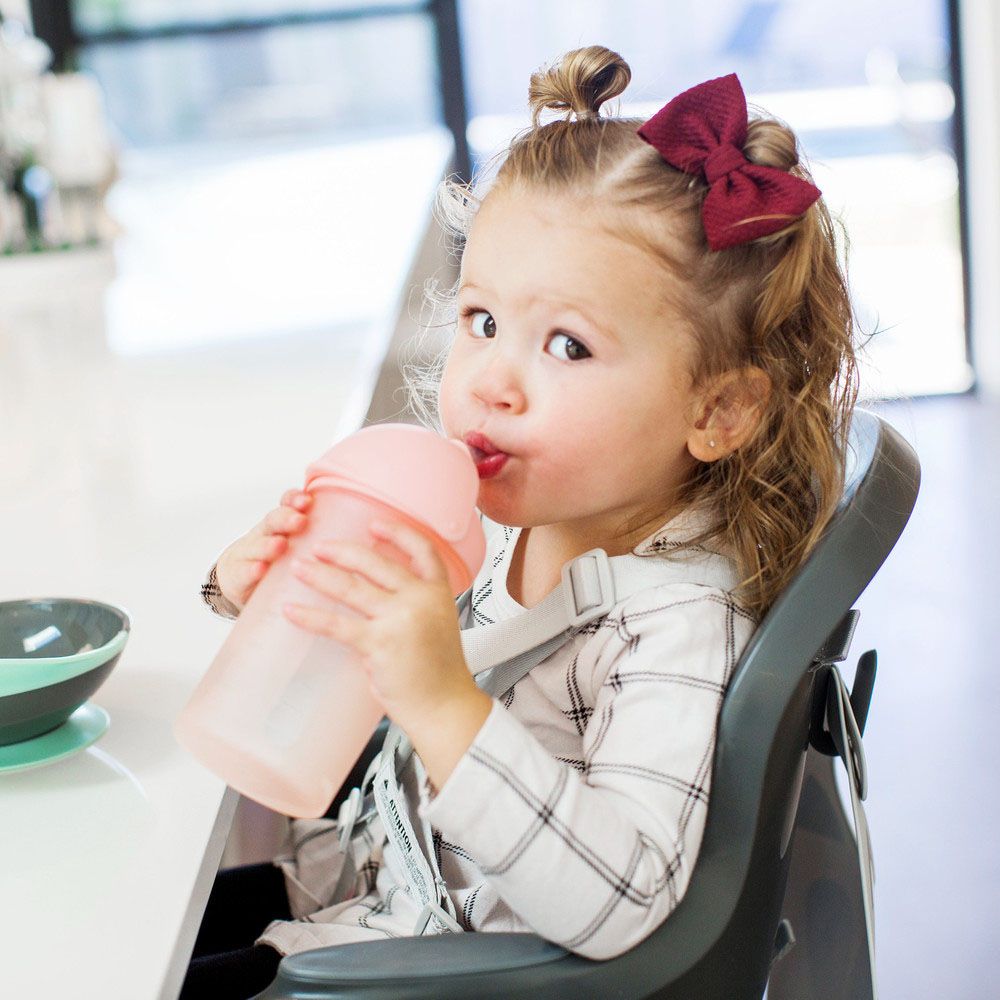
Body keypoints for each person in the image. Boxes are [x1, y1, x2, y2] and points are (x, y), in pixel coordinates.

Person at [183, 45, 860, 999]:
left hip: (437, 971)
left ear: (719, 412)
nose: (490, 381)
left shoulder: (673, 628)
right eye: (483, 320)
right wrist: (265, 592)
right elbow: (352, 691)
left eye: (568, 345)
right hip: (356, 897)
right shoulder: (522, 520)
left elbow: (628, 899)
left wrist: (443, 701)